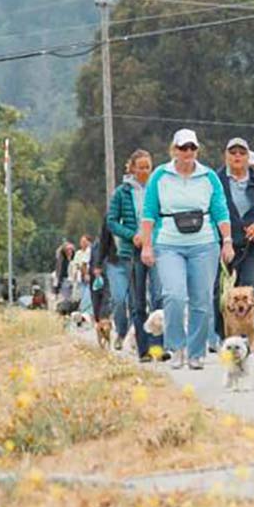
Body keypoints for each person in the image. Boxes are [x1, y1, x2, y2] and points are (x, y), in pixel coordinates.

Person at [138, 129, 234, 370]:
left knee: (201, 299)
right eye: (183, 148)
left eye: (192, 148)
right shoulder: (160, 175)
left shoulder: (208, 176)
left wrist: (228, 240)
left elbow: (220, 210)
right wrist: (147, 245)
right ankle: (176, 346)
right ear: (174, 150)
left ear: (197, 150)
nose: (188, 152)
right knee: (174, 294)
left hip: (204, 242)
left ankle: (196, 351)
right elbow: (149, 212)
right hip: (169, 242)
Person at [212, 137, 254, 347]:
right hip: (225, 244)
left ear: (248, 157)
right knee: (223, 295)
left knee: (251, 292)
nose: (237, 157)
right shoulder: (215, 180)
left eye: (242, 153)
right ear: (226, 156)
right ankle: (226, 338)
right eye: (233, 153)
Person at [107, 149, 165, 361]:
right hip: (132, 252)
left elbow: (164, 216)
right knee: (137, 300)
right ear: (131, 168)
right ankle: (144, 350)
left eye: (147, 167)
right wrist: (132, 236)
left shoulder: (157, 189)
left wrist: (152, 236)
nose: (144, 171)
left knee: (159, 295)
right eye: (140, 167)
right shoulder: (122, 193)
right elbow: (112, 221)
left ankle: (159, 346)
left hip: (156, 247)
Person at [72, 234, 93, 313]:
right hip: (81, 278)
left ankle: (86, 311)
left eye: (84, 241)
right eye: (81, 242)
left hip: (90, 276)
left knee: (88, 295)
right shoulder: (78, 253)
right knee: (82, 295)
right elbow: (77, 264)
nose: (83, 243)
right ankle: (84, 311)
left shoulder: (91, 251)